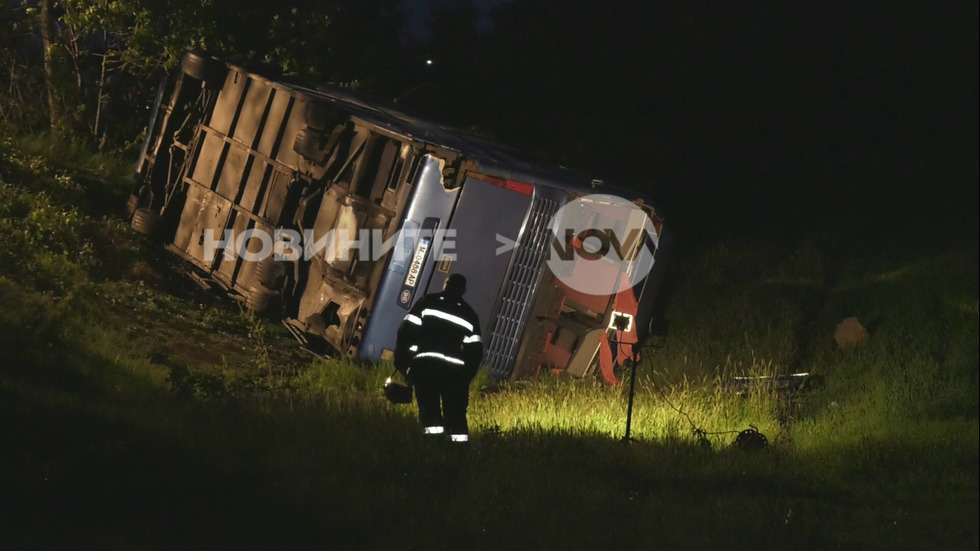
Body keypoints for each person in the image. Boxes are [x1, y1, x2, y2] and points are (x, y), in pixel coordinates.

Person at [395, 274, 483, 443]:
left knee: (429, 410)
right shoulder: (469, 313)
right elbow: (475, 351)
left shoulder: (427, 302)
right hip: (455, 374)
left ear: (445, 285)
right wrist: (466, 377)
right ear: (463, 291)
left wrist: (404, 364)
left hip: (425, 367)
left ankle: (433, 448)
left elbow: (406, 332)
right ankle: (457, 452)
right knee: (456, 414)